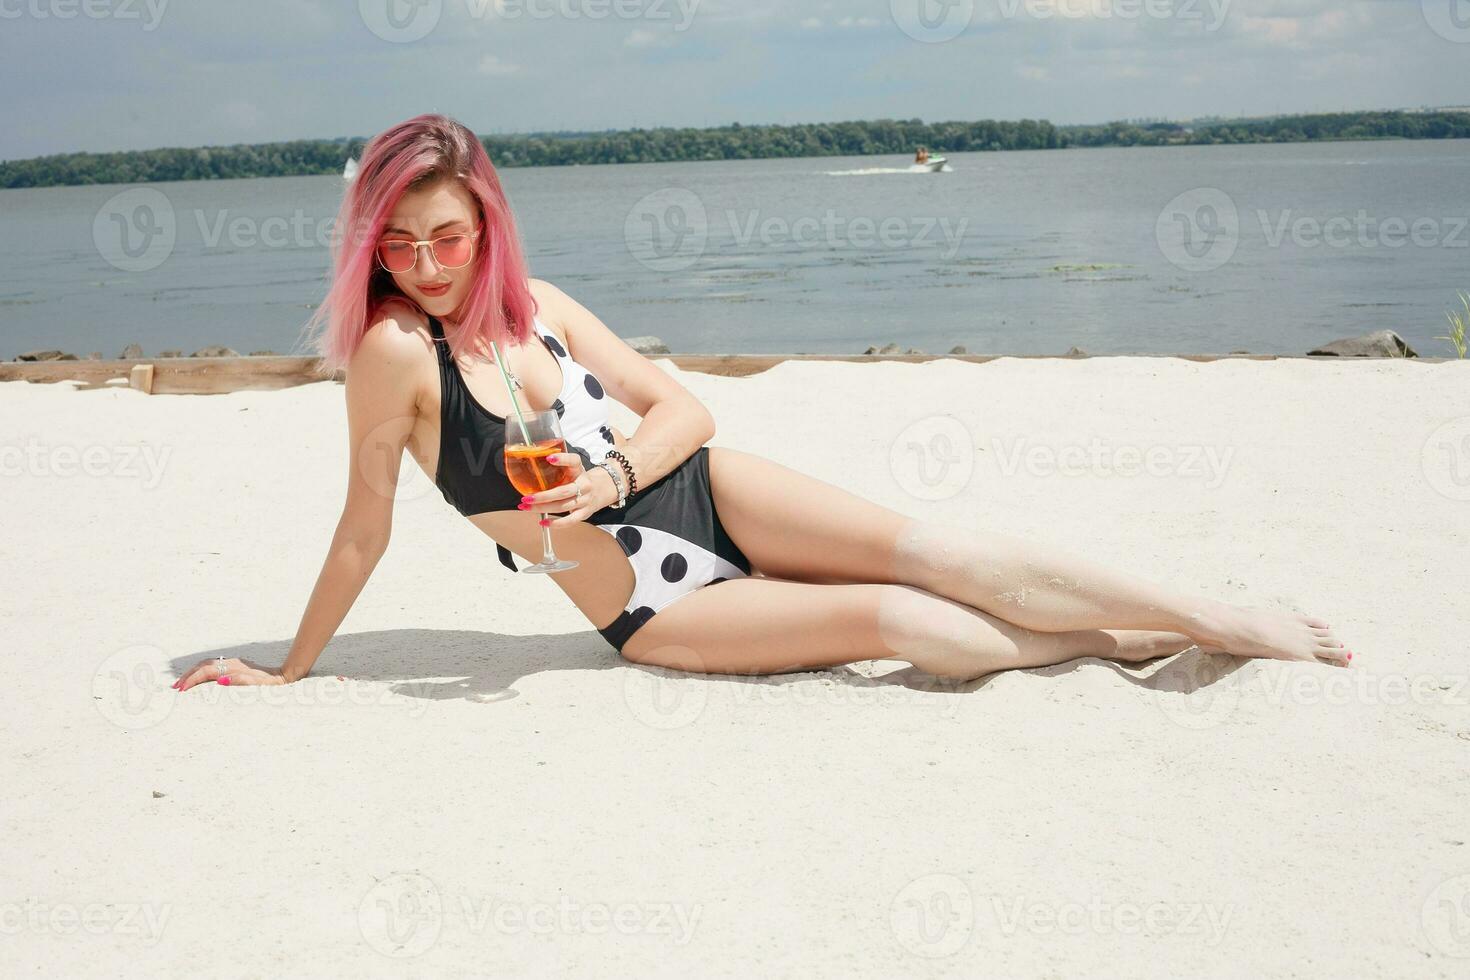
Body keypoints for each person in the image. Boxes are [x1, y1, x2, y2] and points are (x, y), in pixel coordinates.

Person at [173, 113, 1353, 691]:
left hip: (701, 490)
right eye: (402, 243)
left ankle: (1213, 613)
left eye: (449, 236)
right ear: (370, 246)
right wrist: (289, 671)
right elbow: (362, 525)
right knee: (915, 625)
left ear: (485, 227)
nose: (428, 263)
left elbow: (683, 409)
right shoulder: (391, 355)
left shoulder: (542, 303)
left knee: (946, 551)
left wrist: (623, 470)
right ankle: (1125, 640)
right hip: (644, 600)